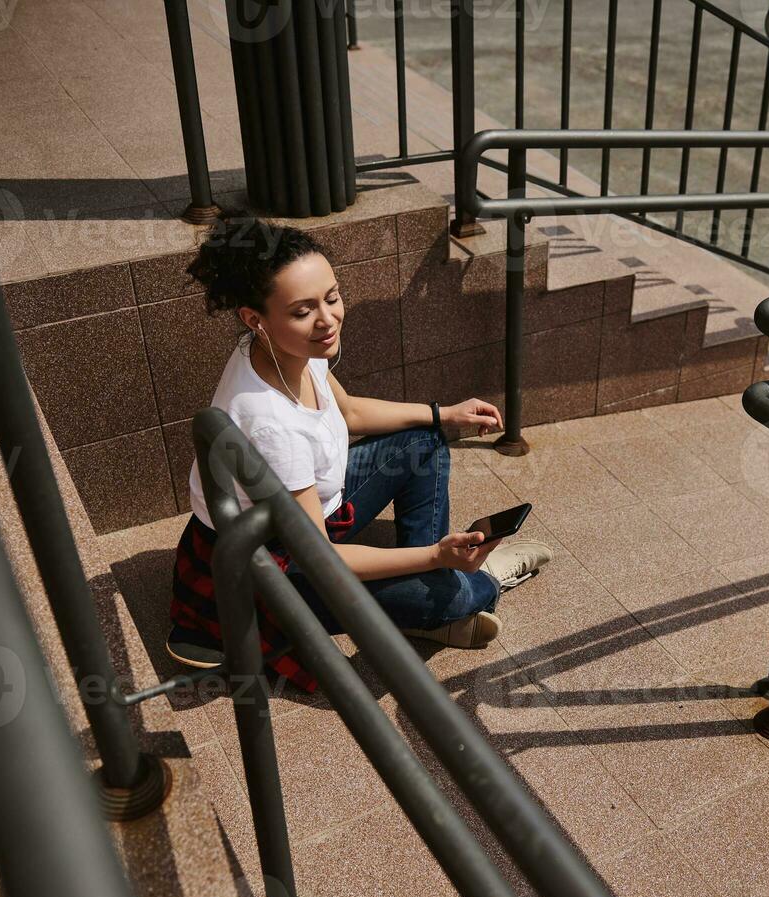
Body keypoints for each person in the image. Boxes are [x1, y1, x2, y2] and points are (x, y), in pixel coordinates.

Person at [166, 216, 550, 689]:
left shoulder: (282, 350)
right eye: (303, 310)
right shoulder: (268, 424)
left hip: (309, 518)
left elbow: (348, 414)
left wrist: (443, 414)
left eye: (332, 297)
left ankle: (418, 596)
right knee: (451, 595)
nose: (327, 320)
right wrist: (434, 557)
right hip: (278, 564)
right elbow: (316, 558)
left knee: (424, 438)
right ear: (255, 319)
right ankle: (470, 587)